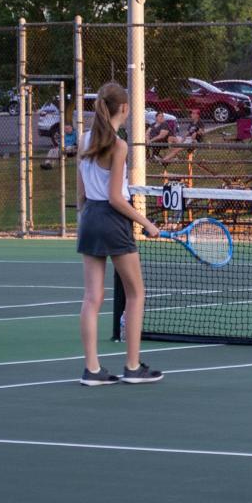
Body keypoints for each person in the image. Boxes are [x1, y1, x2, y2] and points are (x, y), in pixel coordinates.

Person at [77, 81, 164, 386]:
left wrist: (86, 218)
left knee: (92, 297)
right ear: (124, 109)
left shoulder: (85, 139)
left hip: (88, 218)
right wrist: (147, 223)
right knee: (136, 293)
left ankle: (92, 369)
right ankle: (132, 366)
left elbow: (82, 193)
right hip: (112, 220)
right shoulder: (119, 145)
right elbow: (116, 197)